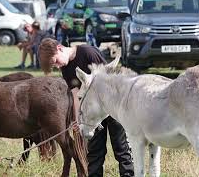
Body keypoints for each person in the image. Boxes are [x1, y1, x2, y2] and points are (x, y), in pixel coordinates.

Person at [38, 38, 134, 177]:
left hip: (112, 108)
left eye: (56, 61)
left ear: (59, 48)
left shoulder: (88, 53)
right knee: (95, 151)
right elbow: (76, 94)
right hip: (92, 113)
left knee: (121, 148)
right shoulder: (66, 68)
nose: (58, 66)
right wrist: (78, 118)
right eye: (54, 66)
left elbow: (108, 80)